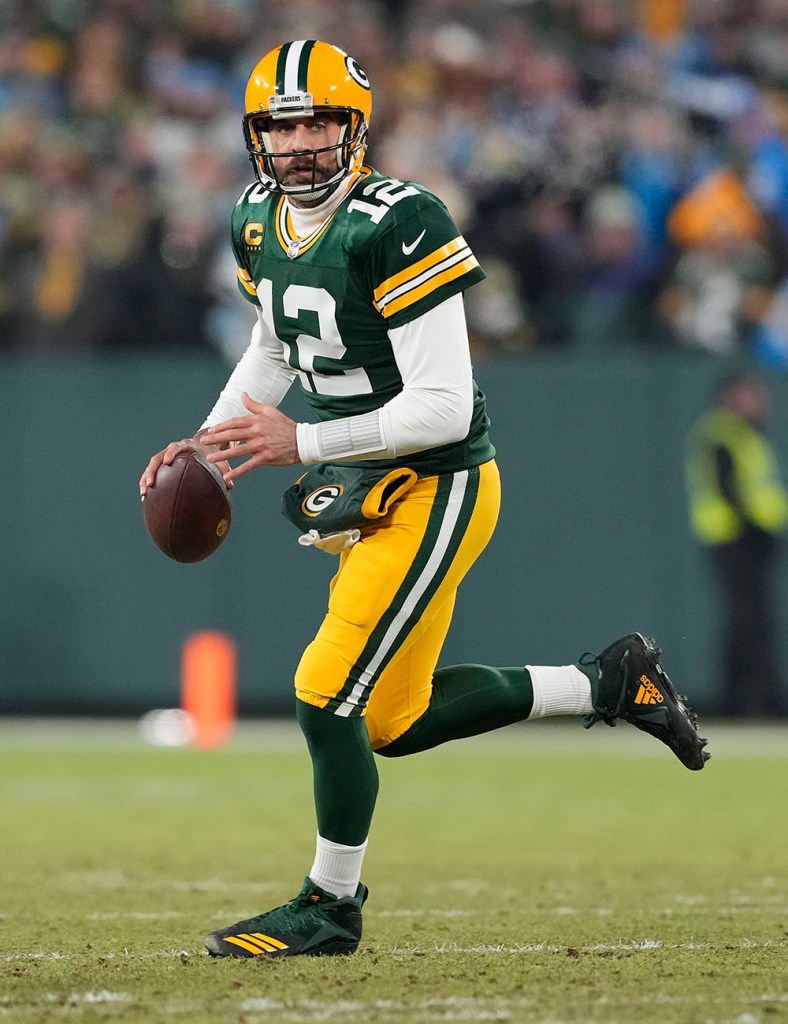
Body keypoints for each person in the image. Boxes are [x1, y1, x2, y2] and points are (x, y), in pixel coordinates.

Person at [140, 40, 710, 960]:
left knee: (325, 694)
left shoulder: (399, 220)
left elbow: (443, 404)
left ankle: (330, 905)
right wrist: (210, 442)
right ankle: (610, 681)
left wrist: (303, 442)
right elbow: (278, 347)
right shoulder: (255, 218)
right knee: (389, 723)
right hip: (370, 484)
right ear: (256, 138)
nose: (299, 145)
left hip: (438, 480)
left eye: (318, 121)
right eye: (282, 127)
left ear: (353, 129)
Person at [685, 373, 788, 716]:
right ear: (730, 397)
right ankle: (746, 700)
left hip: (752, 542)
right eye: (749, 395)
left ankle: (753, 697)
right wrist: (757, 529)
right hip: (735, 541)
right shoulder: (721, 433)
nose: (758, 403)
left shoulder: (745, 435)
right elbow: (731, 490)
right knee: (746, 623)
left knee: (753, 622)